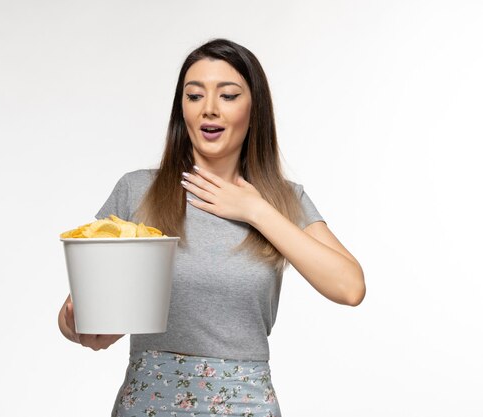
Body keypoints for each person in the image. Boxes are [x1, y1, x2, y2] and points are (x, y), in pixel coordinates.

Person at [58, 38, 365, 416]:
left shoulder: (282, 200)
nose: (209, 110)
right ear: (181, 109)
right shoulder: (137, 191)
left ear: (255, 110)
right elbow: (97, 329)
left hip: (245, 404)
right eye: (194, 95)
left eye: (228, 95)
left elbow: (350, 287)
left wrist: (255, 210)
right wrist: (76, 323)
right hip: (149, 401)